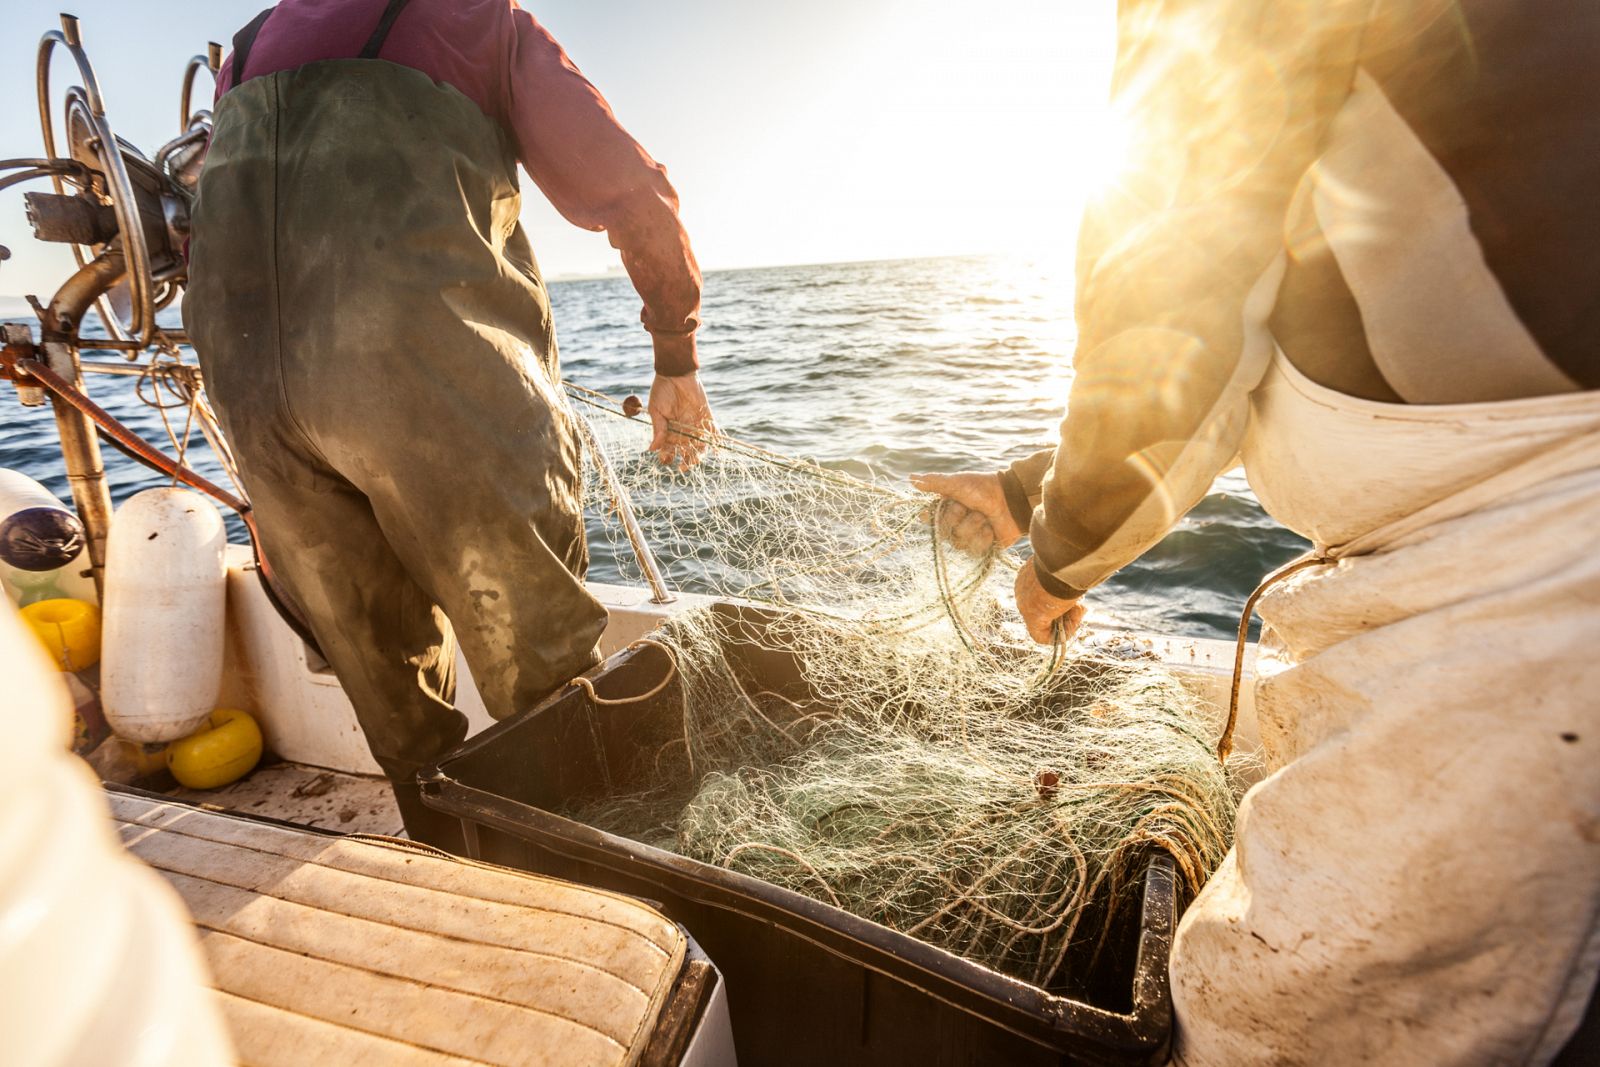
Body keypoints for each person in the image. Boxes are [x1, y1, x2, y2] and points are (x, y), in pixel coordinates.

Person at [915, 1, 1599, 1062]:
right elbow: (1263, 318)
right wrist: (1023, 491)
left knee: (1295, 1010)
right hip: (1495, 518)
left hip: (1544, 534)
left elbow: (1176, 311)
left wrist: (1056, 561)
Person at [184, 0, 716, 850]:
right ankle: (589, 890)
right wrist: (675, 358)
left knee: (383, 682)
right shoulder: (476, 16)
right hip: (423, 381)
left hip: (251, 397)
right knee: (541, 669)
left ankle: (448, 856)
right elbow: (630, 191)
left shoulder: (248, 45)